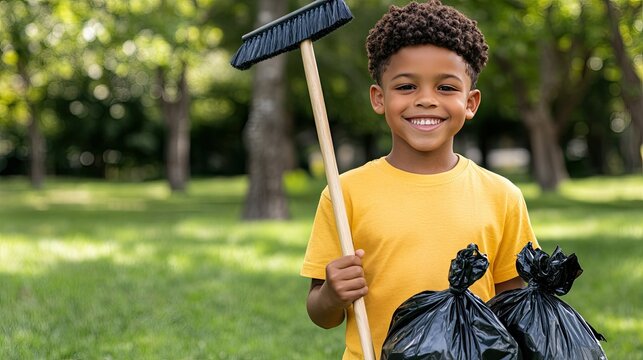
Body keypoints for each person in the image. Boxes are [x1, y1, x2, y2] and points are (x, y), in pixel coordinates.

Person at [300, 1, 539, 359]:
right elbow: (322, 314)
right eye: (407, 87)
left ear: (470, 102)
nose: (426, 100)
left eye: (445, 88)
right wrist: (333, 294)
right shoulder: (344, 193)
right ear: (379, 98)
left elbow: (513, 304)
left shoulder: (501, 195)